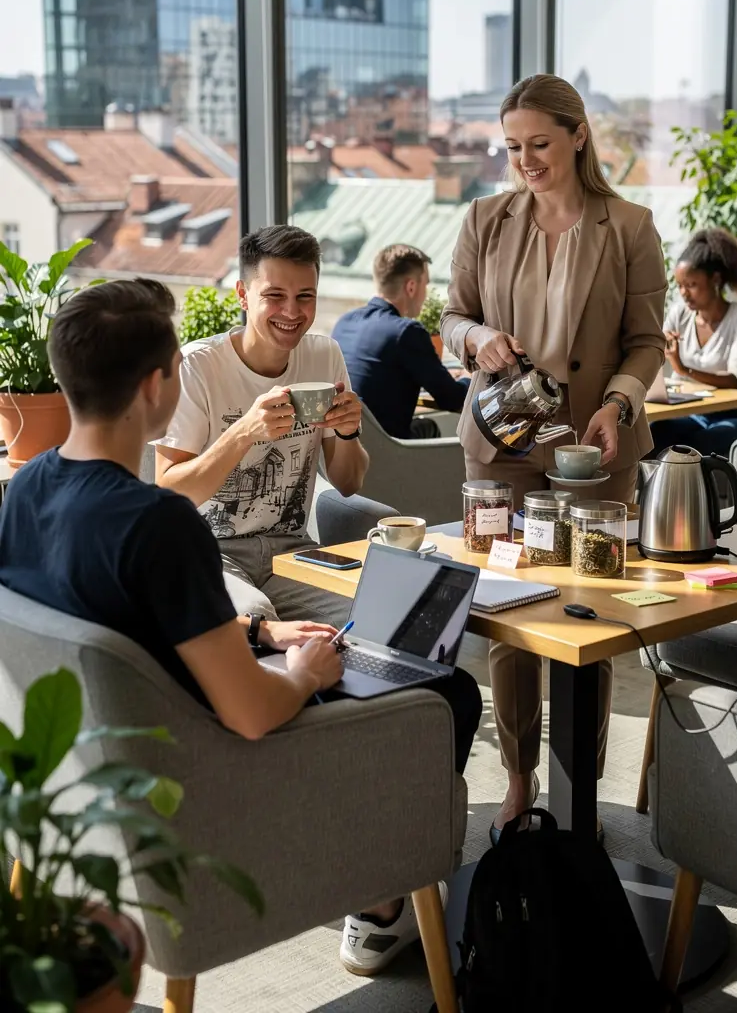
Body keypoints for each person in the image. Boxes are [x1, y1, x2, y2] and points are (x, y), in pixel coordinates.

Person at [0, 278, 482, 977]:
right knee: (447, 694)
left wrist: (264, 638)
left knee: (357, 651)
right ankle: (381, 899)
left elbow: (126, 631)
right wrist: (306, 674)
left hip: (91, 774)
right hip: (210, 783)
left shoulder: (27, 490)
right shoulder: (160, 524)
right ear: (157, 386)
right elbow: (253, 715)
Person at [441, 73, 667, 844]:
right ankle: (517, 778)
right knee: (510, 615)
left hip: (595, 449)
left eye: (539, 143)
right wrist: (477, 340)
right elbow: (451, 317)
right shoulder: (484, 219)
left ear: (577, 135)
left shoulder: (629, 225)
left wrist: (620, 402)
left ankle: (579, 785)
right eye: (512, 147)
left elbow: (646, 343)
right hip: (502, 443)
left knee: (589, 610)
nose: (525, 160)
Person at [155, 225, 368, 629]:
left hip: (292, 553)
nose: (292, 312)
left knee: (379, 616)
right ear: (242, 295)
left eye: (305, 297)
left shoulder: (325, 355)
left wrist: (347, 432)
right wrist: (244, 432)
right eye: (275, 296)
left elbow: (349, 483)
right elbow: (168, 492)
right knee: (255, 621)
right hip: (208, 551)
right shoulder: (198, 366)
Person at [332, 244, 469, 439]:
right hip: (387, 453)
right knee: (428, 427)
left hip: (343, 448)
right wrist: (467, 376)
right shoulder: (406, 332)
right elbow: (452, 399)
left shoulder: (344, 322)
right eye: (425, 284)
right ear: (411, 286)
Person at [650, 227, 737, 458]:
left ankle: (701, 495)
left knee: (699, 443)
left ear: (715, 279)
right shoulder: (679, 314)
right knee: (653, 436)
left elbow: (734, 380)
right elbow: (654, 355)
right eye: (680, 285)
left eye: (691, 285)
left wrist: (683, 369)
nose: (684, 293)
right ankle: (648, 495)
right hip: (692, 412)